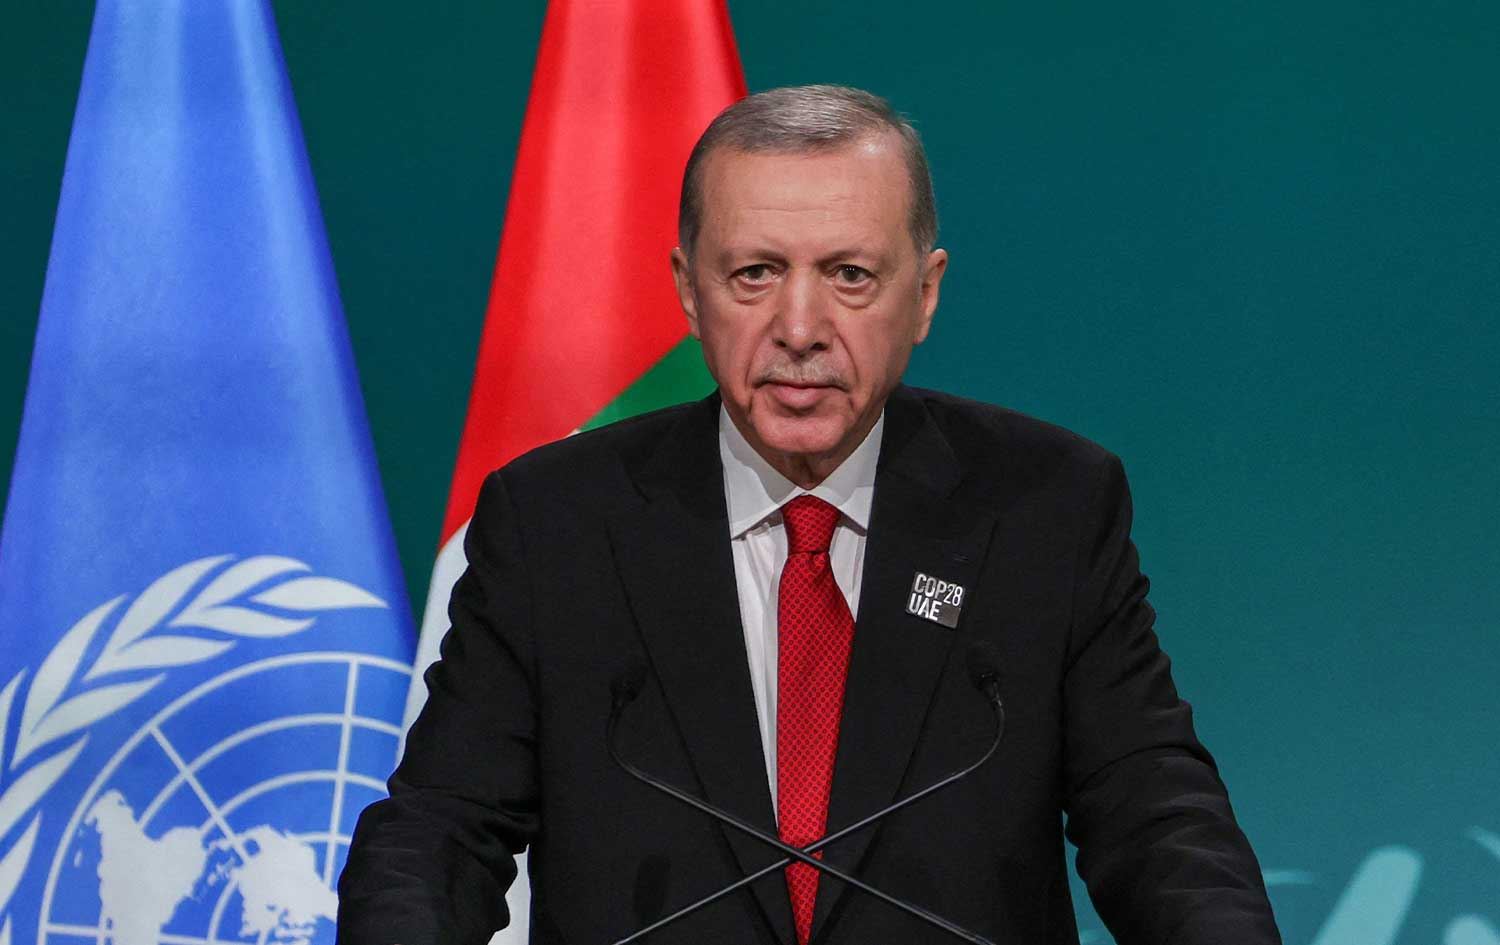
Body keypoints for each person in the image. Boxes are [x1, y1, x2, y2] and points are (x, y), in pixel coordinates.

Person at [338, 85, 1282, 945]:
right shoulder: (555, 522)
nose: (799, 327)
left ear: (926, 293)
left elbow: (1155, 816)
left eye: (850, 275)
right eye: (754, 273)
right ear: (688, 289)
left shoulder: (1047, 506)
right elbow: (440, 830)